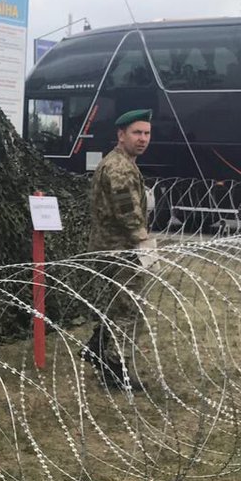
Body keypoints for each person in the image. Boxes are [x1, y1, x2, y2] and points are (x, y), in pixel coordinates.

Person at [83, 109, 156, 392]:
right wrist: (144, 243)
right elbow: (128, 213)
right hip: (120, 251)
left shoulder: (121, 162)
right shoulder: (120, 168)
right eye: (136, 133)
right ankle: (115, 369)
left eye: (147, 133)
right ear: (121, 135)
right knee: (127, 310)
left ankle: (97, 348)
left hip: (110, 248)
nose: (143, 139)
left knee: (113, 307)